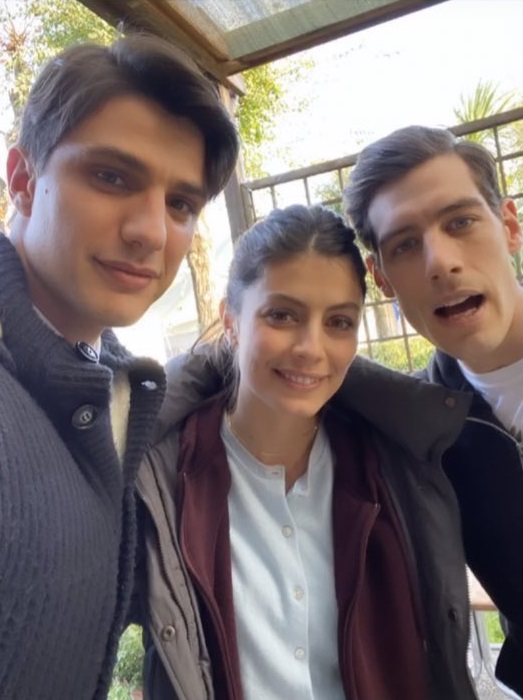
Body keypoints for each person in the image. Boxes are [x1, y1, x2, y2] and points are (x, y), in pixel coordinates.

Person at [136, 203, 481, 700]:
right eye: (282, 315)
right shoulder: (160, 477)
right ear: (231, 320)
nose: (310, 349)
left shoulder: (396, 463)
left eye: (338, 322)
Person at [1, 32, 238, 700]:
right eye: (111, 177)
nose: (151, 232)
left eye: (180, 204)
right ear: (23, 180)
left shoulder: (110, 385)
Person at [343, 125, 523, 697]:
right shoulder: (423, 430)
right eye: (404, 245)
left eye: (461, 222)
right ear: (381, 279)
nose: (440, 262)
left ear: (510, 225)